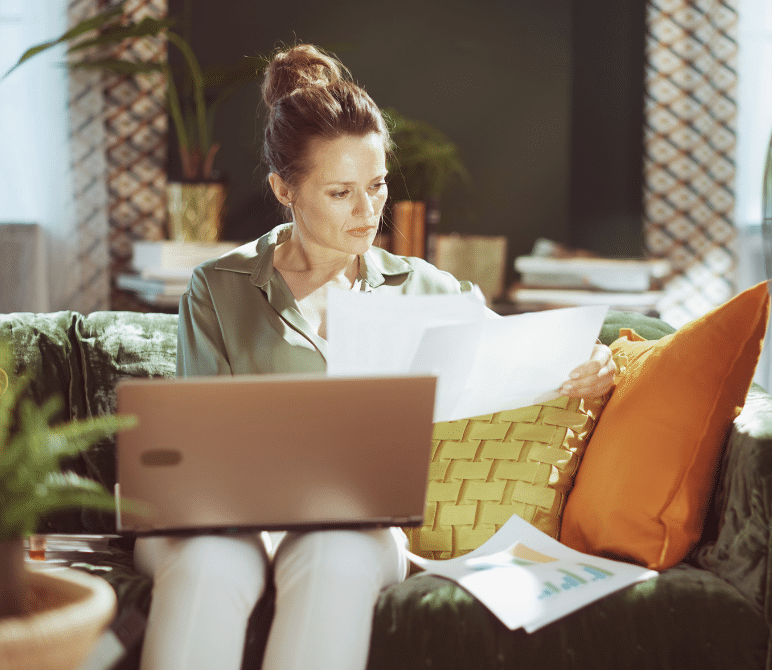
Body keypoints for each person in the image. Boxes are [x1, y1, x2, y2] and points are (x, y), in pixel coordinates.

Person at [134, 44, 616, 670]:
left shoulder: (428, 289)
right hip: (229, 520)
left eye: (377, 185)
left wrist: (592, 363)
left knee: (335, 555)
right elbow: (196, 458)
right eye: (340, 193)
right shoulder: (219, 287)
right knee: (210, 563)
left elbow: (522, 363)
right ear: (285, 188)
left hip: (358, 524)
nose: (368, 212)